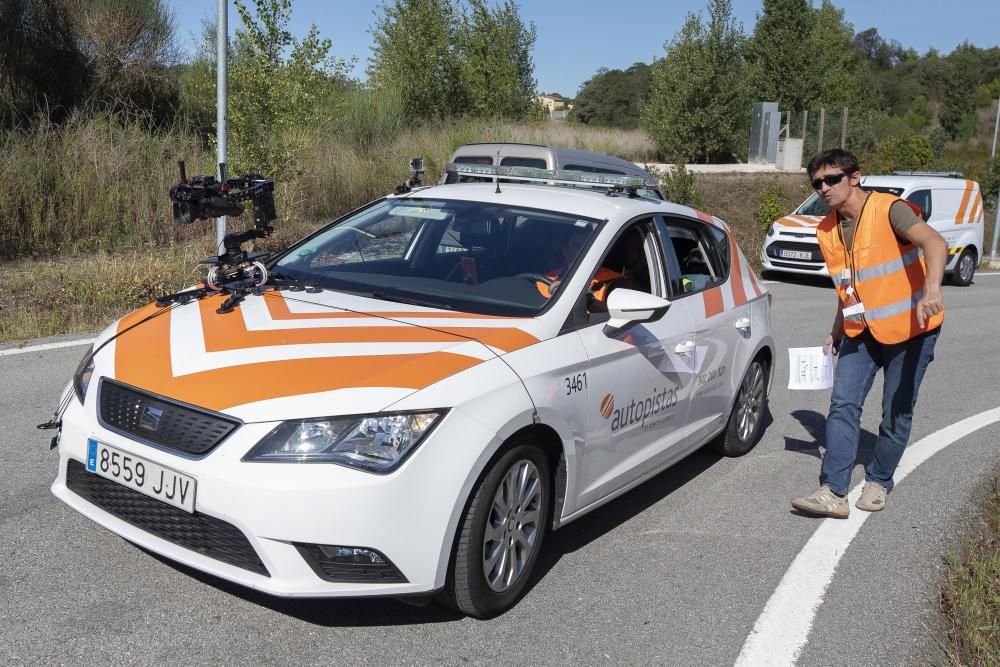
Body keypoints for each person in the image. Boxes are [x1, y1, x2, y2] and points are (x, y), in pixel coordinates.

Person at [791, 149, 946, 518]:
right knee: (842, 404)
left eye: (832, 179)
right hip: (860, 330)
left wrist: (932, 289)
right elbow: (847, 283)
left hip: (912, 328)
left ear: (854, 177)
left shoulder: (889, 210)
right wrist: (836, 329)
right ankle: (834, 491)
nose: (824, 188)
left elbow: (934, 243)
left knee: (896, 411)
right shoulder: (826, 229)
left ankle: (879, 480)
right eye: (817, 183)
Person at [536, 228, 625, 302]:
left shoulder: (614, 283)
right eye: (577, 247)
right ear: (565, 249)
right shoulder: (545, 280)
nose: (585, 252)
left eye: (589, 247)